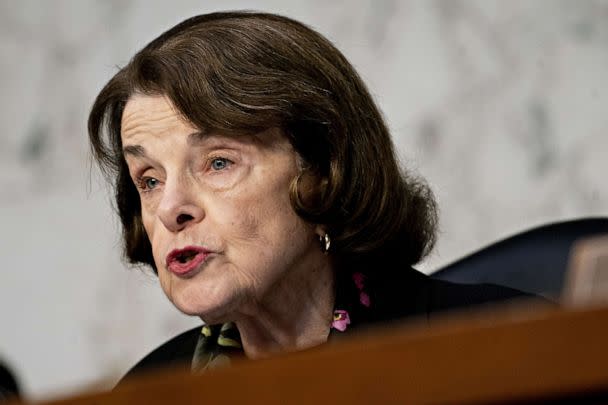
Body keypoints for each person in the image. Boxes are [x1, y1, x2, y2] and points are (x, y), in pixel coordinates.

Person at [88, 11, 531, 382]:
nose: (169, 210)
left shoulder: (505, 345)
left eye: (218, 162)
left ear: (322, 173)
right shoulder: (149, 391)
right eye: (149, 180)